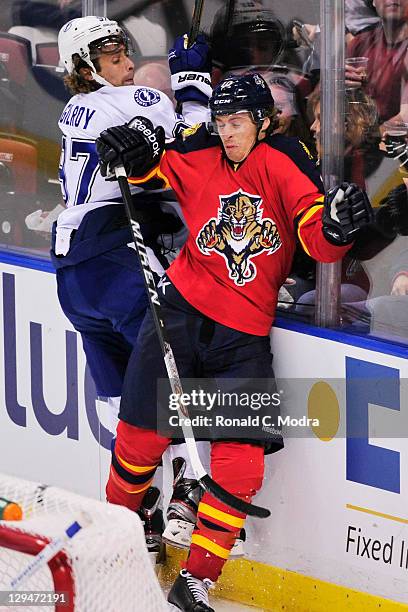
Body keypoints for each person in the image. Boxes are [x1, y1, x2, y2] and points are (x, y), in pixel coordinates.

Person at [96, 73, 373, 611]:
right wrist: (128, 146)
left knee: (242, 464)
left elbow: (318, 238)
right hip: (177, 316)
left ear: (264, 121)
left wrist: (339, 231)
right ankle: (113, 547)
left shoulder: (283, 159)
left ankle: (196, 577)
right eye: (221, 121)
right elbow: (148, 161)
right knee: (136, 446)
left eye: (238, 122)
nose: (227, 132)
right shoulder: (201, 149)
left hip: (241, 335)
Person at [51, 15, 212, 557]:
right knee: (178, 346)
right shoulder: (131, 101)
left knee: (119, 389)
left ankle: (140, 509)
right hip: (114, 247)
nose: (125, 61)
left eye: (125, 52)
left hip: (72, 268)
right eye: (113, 53)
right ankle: (192, 480)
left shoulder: (77, 109)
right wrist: (192, 78)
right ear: (84, 66)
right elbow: (194, 143)